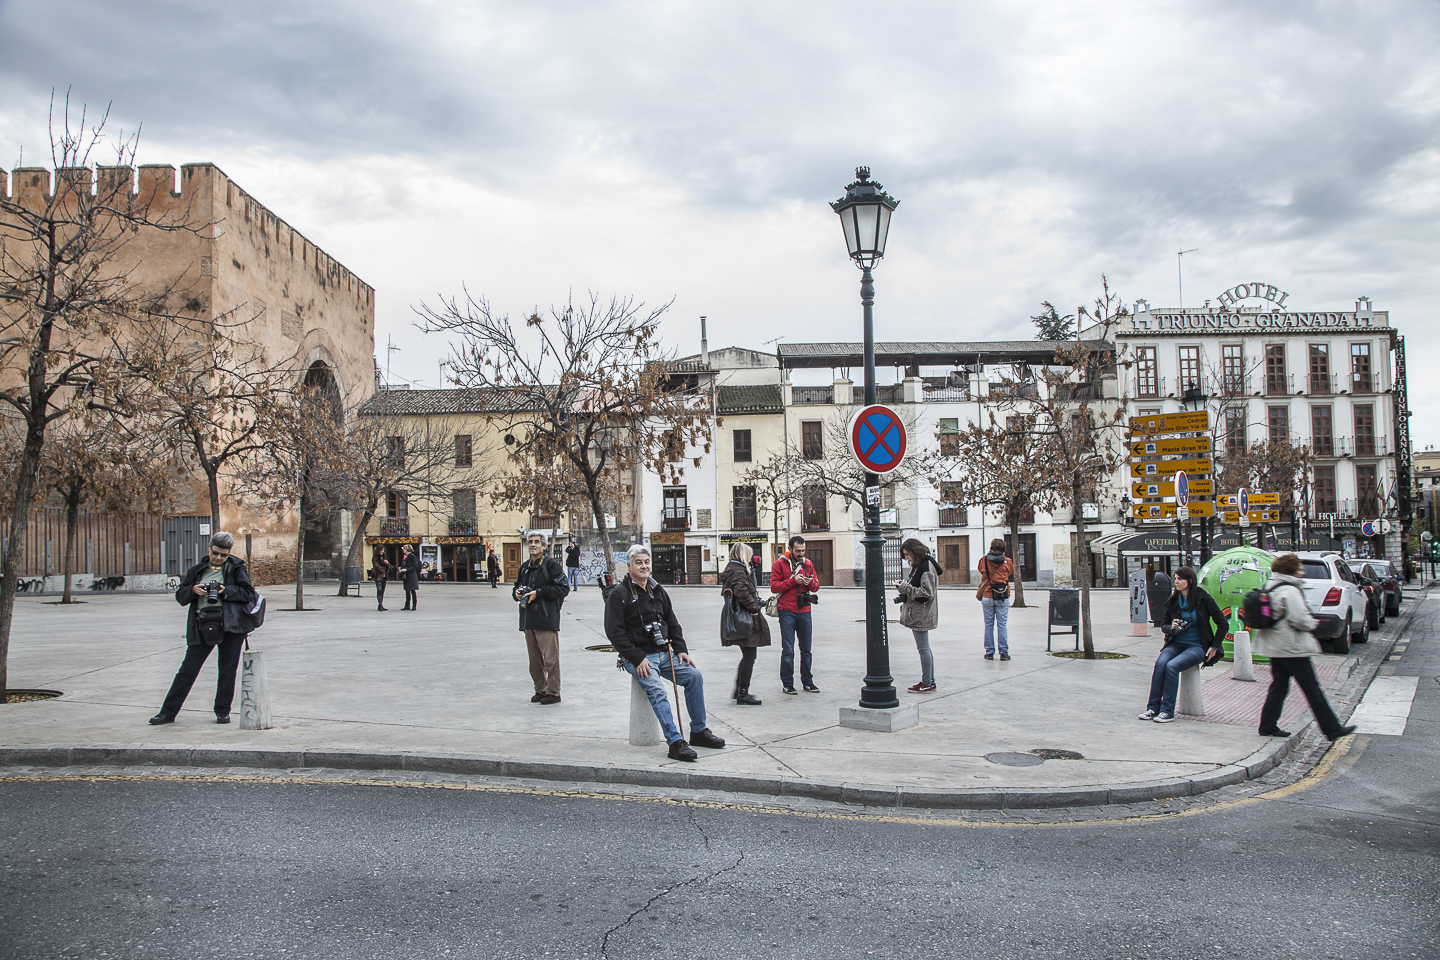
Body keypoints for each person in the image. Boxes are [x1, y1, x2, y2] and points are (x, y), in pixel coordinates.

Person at [605, 544, 726, 761]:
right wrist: (636, 657)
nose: (644, 566)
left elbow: (672, 621)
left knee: (694, 677)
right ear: (629, 566)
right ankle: (675, 742)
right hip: (639, 657)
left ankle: (698, 731)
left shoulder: (657, 590)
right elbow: (615, 633)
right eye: (639, 562)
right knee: (658, 690)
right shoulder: (619, 594)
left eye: (646, 562)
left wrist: (681, 650)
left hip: (664, 653)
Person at [149, 532, 257, 725]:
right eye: (216, 553)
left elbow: (248, 593)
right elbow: (180, 597)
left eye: (223, 555)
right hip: (203, 626)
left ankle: (223, 711)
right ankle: (168, 712)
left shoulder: (236, 568)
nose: (219, 558)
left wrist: (226, 590)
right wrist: (192, 591)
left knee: (227, 670)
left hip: (232, 627)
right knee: (187, 670)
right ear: (209, 548)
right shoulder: (197, 570)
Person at [1252, 553, 1356, 741]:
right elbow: (1299, 618)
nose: (1302, 571)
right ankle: (1331, 728)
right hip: (1291, 647)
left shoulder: (1271, 585)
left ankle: (1267, 725)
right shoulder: (1290, 590)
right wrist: (1312, 623)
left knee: (1279, 686)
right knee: (1312, 688)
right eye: (1299, 568)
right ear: (1291, 570)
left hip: (1276, 645)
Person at [1139, 565, 1226, 723]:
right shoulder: (1173, 601)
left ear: (1190, 581)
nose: (1176, 582)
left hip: (1197, 647)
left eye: (1180, 579)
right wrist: (1171, 628)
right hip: (1176, 644)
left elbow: (1223, 623)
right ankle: (1152, 708)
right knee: (1160, 663)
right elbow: (1164, 626)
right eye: (1175, 578)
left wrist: (1214, 646)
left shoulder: (1203, 598)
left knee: (1172, 666)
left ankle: (1167, 711)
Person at [513, 531, 570, 704]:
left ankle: (553, 692)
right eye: (530, 542)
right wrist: (515, 593)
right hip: (528, 620)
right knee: (534, 661)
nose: (533, 545)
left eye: (537, 542)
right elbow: (517, 586)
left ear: (544, 546)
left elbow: (562, 588)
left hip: (546, 619)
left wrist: (538, 592)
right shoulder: (525, 567)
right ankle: (540, 689)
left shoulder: (551, 565)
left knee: (550, 660)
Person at [719, 542, 771, 705]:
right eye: (748, 555)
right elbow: (741, 592)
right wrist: (754, 608)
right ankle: (742, 693)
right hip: (744, 618)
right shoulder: (739, 571)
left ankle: (738, 690)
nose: (750, 558)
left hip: (738, 617)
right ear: (742, 555)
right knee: (749, 656)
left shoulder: (732, 570)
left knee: (747, 655)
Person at [770, 535, 820, 694]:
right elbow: (774, 587)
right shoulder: (779, 564)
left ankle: (808, 682)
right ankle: (787, 683)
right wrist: (793, 581)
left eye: (803, 550)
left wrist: (808, 582)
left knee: (806, 649)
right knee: (788, 650)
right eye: (798, 551)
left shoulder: (808, 564)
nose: (801, 554)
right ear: (790, 549)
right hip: (787, 611)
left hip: (805, 611)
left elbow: (816, 586)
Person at [894, 538, 941, 693]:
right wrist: (905, 587)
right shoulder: (920, 565)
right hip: (919, 613)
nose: (906, 558)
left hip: (921, 615)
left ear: (915, 551)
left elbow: (926, 593)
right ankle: (930, 681)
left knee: (923, 649)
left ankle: (927, 682)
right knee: (925, 648)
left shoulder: (926, 567)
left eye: (907, 554)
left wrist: (905, 588)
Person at [976, 538, 1015, 661]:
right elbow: (1010, 573)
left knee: (988, 625)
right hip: (1002, 595)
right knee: (1002, 625)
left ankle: (989, 652)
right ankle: (1004, 652)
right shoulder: (1007, 561)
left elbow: (980, 569)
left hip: (987, 595)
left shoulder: (984, 560)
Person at [400, 543, 421, 610]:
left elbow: (415, 566)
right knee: (407, 591)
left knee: (412, 591)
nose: (403, 550)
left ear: (407, 549)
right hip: (406, 576)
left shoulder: (412, 556)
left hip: (411, 576)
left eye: (404, 549)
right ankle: (407, 606)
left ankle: (414, 606)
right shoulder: (404, 557)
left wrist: (406, 569)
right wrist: (401, 569)